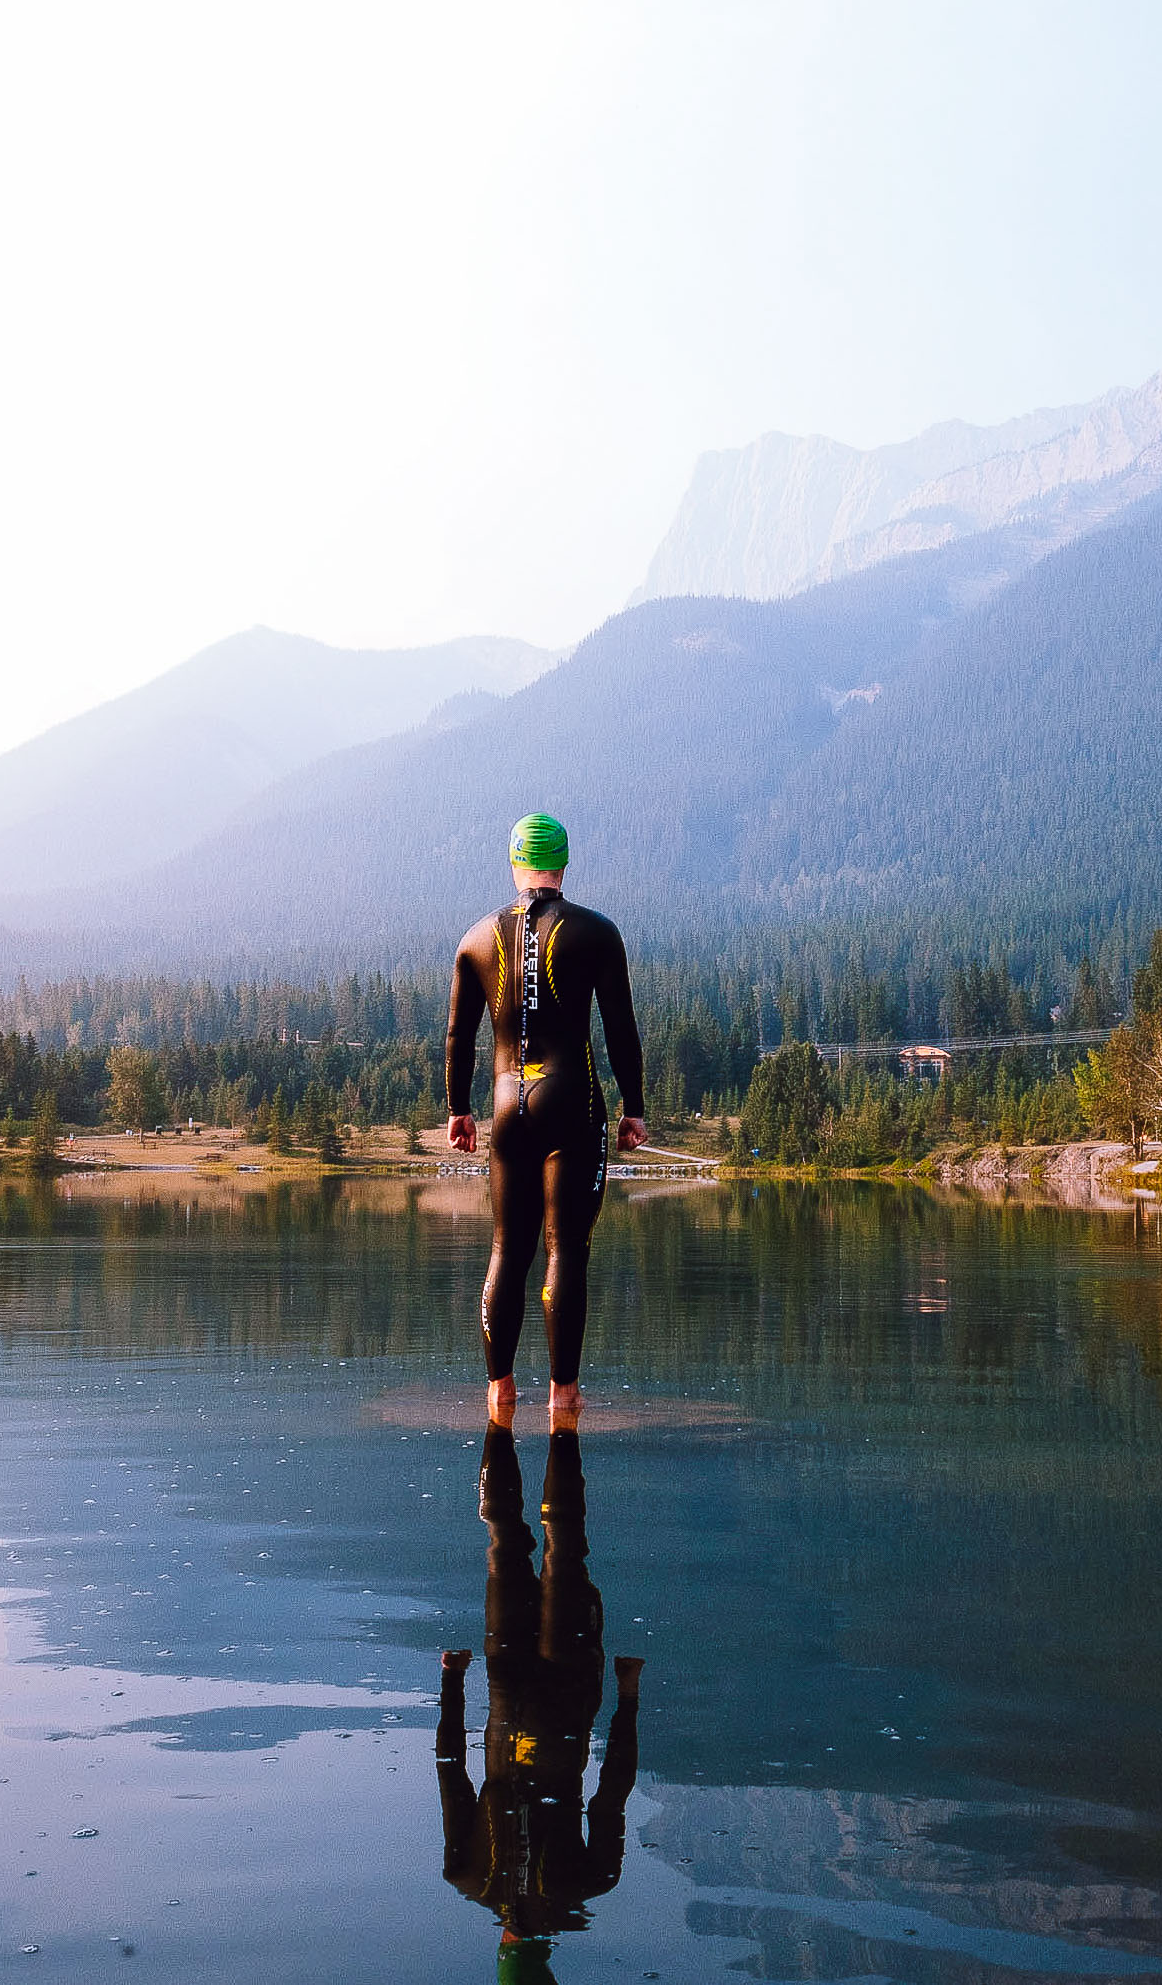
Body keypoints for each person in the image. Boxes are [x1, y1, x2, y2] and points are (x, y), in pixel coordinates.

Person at [445, 812, 646, 1426]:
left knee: (508, 1249)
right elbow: (619, 1029)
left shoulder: (477, 939)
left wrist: (459, 1108)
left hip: (507, 1103)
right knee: (566, 1250)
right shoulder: (595, 932)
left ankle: (500, 1394)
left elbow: (459, 1036)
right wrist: (633, 1107)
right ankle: (563, 1398)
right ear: (564, 861)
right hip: (572, 1101)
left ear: (514, 862)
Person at [436, 1427, 644, 1982]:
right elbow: (450, 1773)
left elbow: (613, 1789)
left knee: (565, 1543)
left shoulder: (584, 1889)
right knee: (504, 1539)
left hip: (569, 1695)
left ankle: (561, 1420)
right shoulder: (468, 1876)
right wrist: (452, 1683)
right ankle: (500, 1420)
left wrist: (628, 1695)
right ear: (503, 1953)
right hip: (506, 1688)